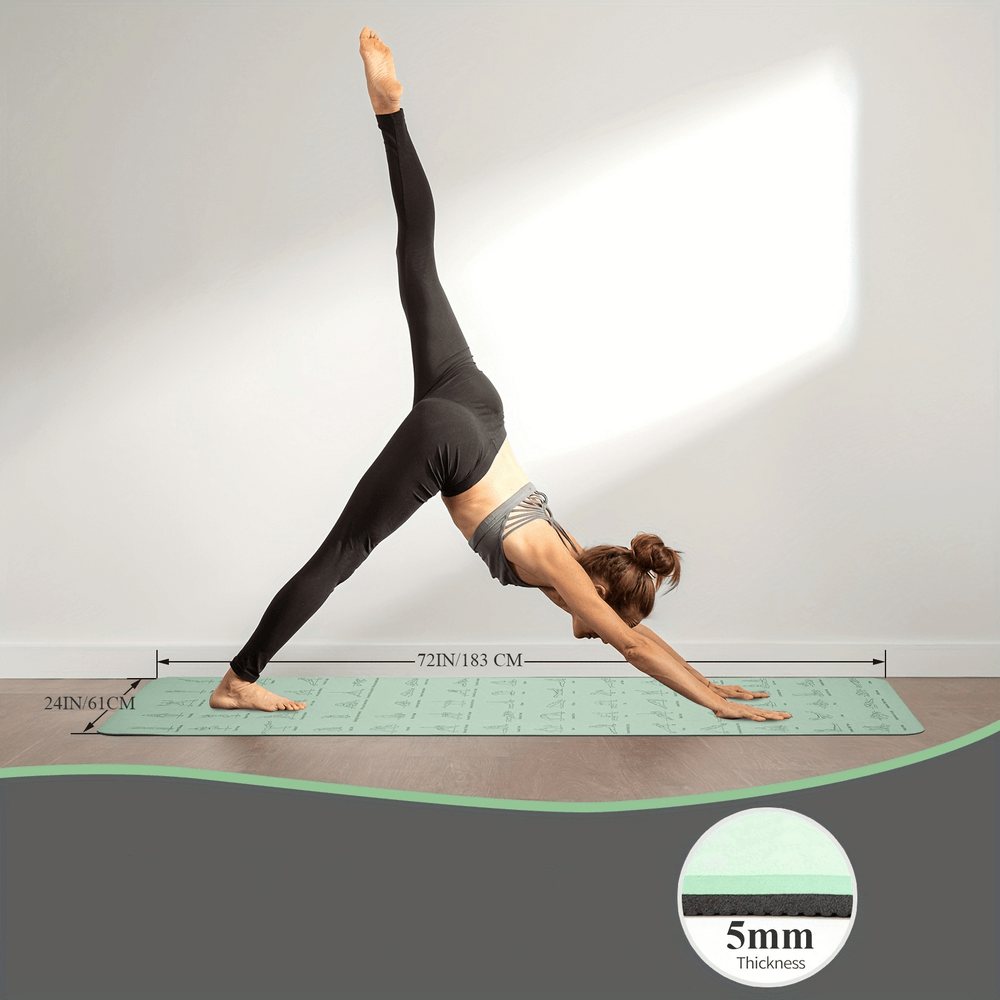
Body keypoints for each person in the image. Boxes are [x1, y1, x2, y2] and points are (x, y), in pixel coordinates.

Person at [209, 28, 792, 724]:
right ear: (602, 601)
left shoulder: (583, 552)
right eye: (616, 620)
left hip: (475, 402)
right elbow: (635, 649)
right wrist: (715, 706)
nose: (613, 632)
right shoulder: (566, 574)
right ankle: (240, 678)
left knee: (417, 258)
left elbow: (644, 639)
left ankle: (390, 115)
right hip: (451, 441)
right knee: (344, 553)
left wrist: (710, 681)